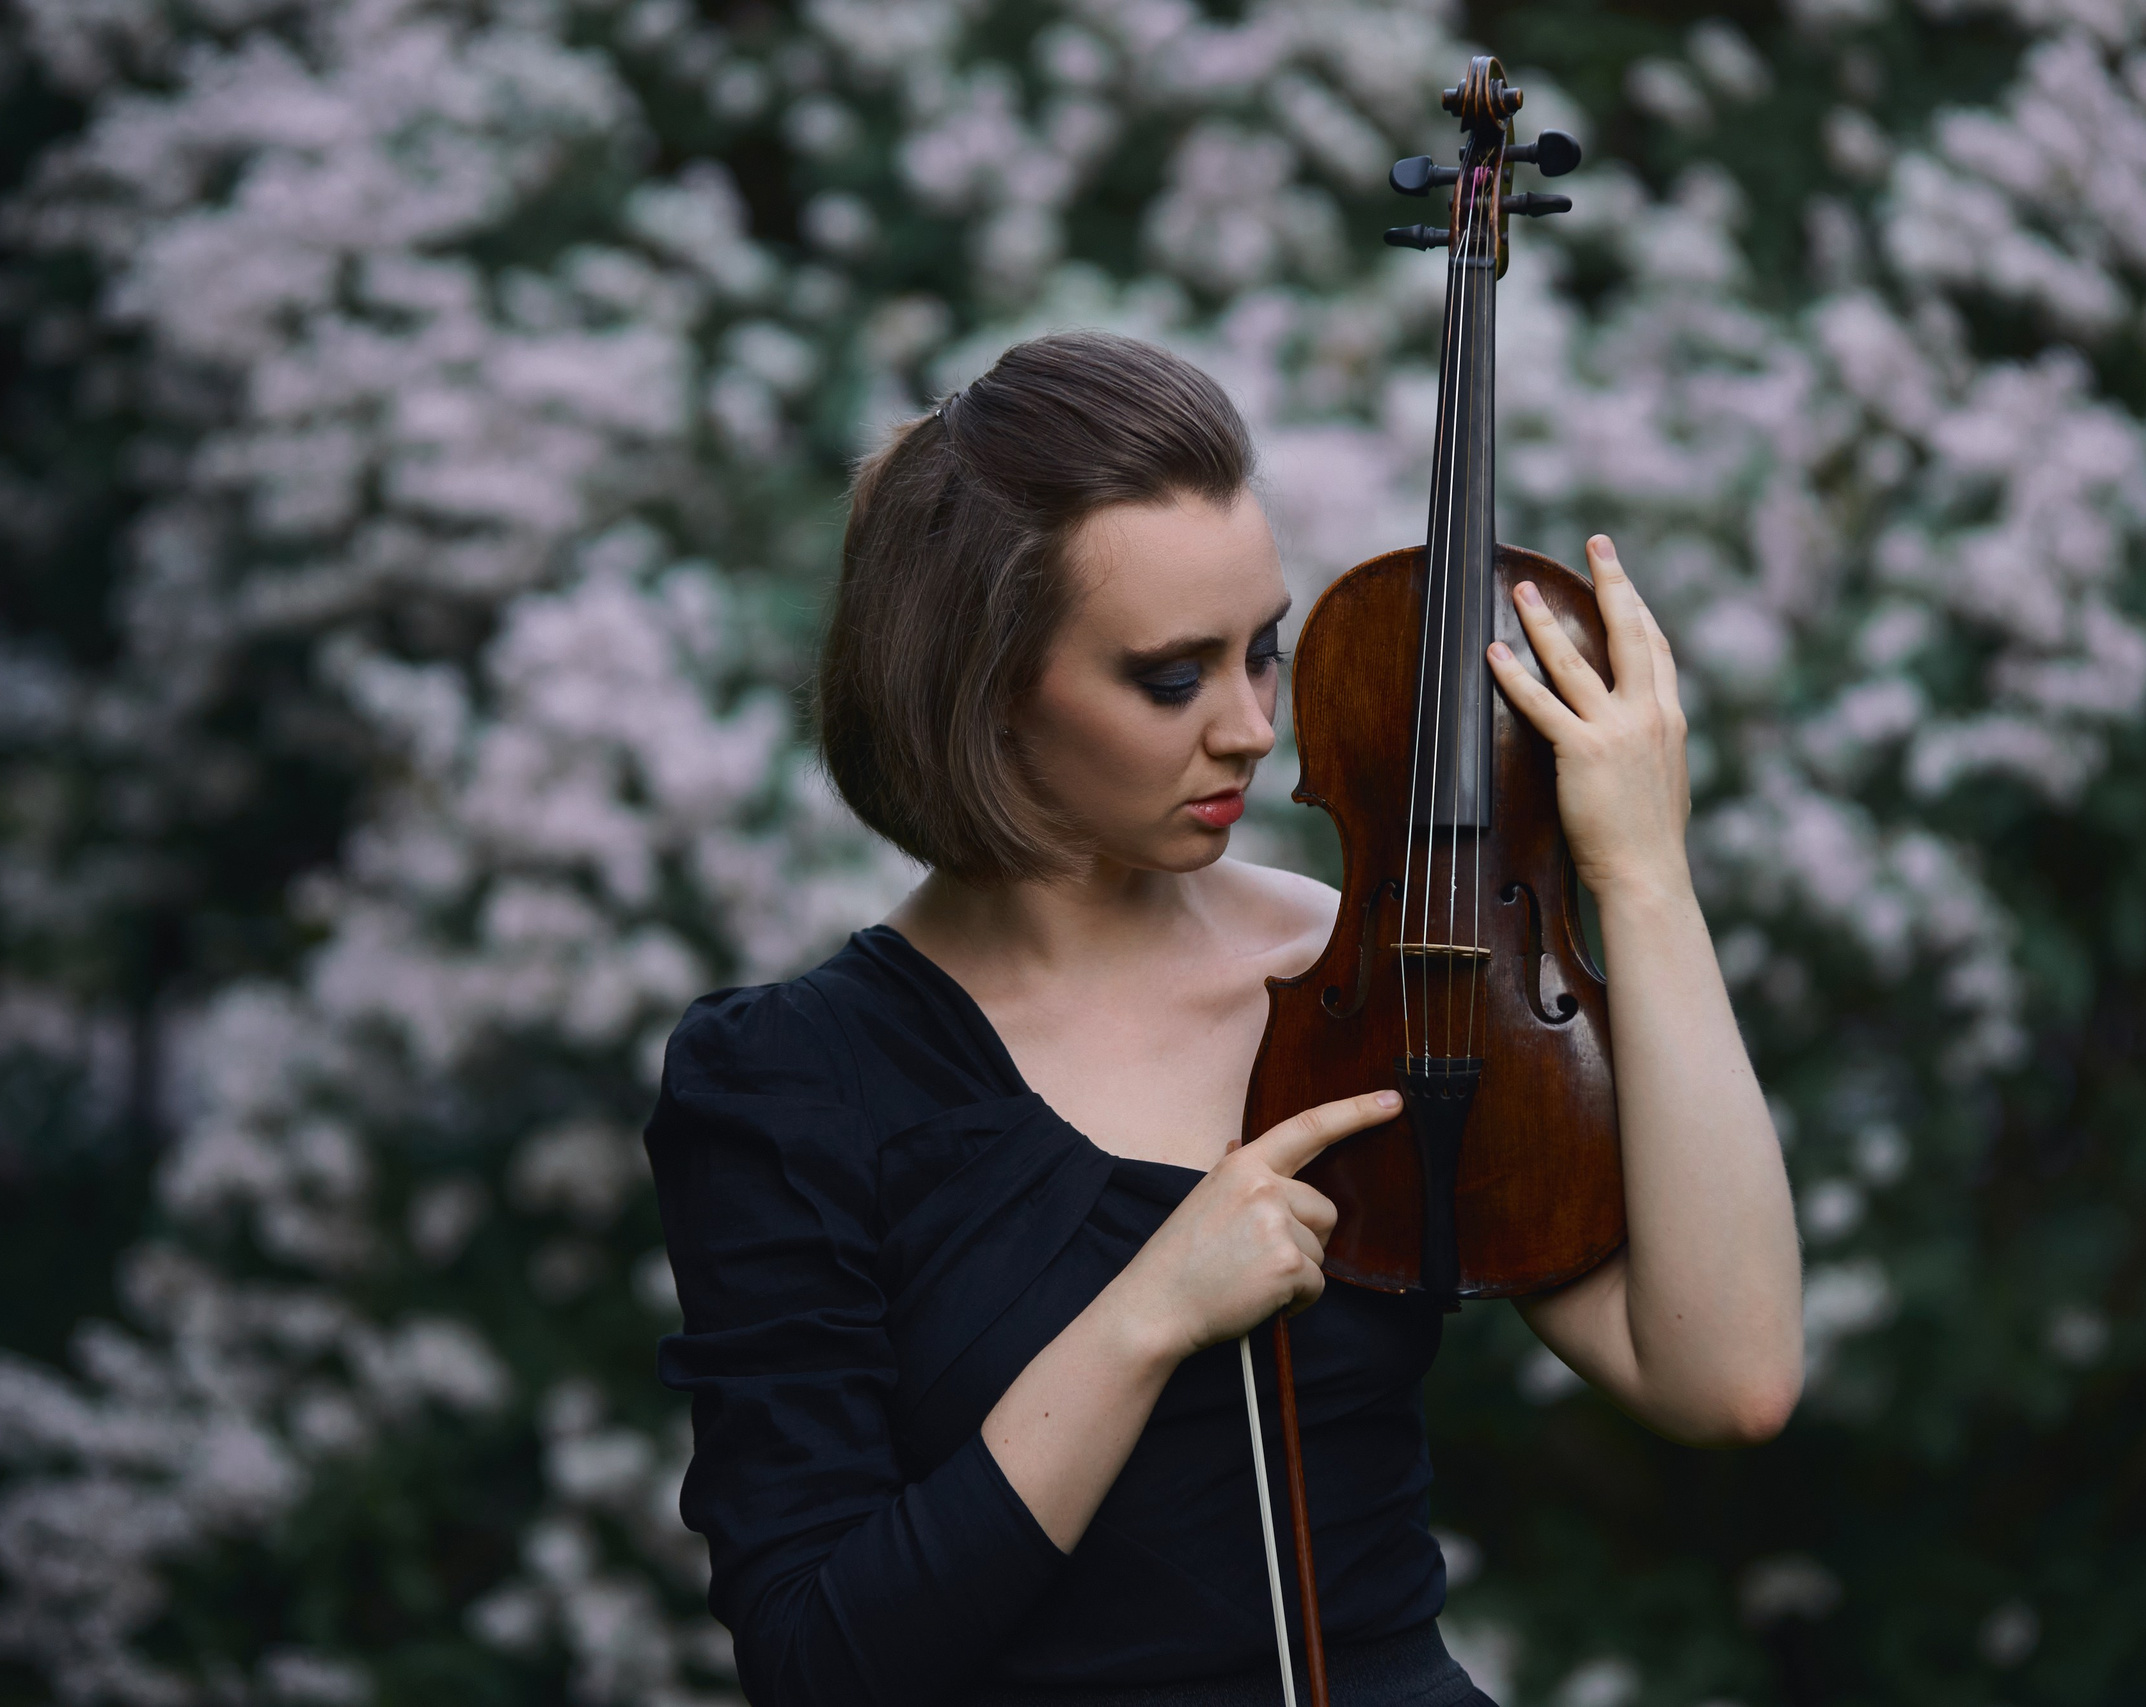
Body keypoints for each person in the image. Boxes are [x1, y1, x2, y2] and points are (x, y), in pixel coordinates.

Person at [643, 332, 1803, 1707]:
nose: (1254, 727)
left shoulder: (1369, 982)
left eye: (1264, 653)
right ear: (983, 690)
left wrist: (1644, 874)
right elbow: (817, 1661)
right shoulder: (789, 1085)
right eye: (1171, 677)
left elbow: (1723, 1376)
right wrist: (1148, 1316)